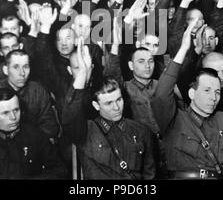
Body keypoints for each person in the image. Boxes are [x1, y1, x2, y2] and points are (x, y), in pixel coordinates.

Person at [151, 19, 223, 179]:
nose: (213, 97)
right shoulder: (174, 119)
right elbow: (160, 95)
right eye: (207, 90)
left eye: (217, 92)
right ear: (192, 94)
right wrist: (184, 49)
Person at [62, 40, 155, 179]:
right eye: (108, 103)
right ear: (96, 105)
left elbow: (149, 176)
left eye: (119, 100)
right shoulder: (87, 132)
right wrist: (82, 72)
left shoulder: (141, 131)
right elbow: (71, 115)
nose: (116, 107)